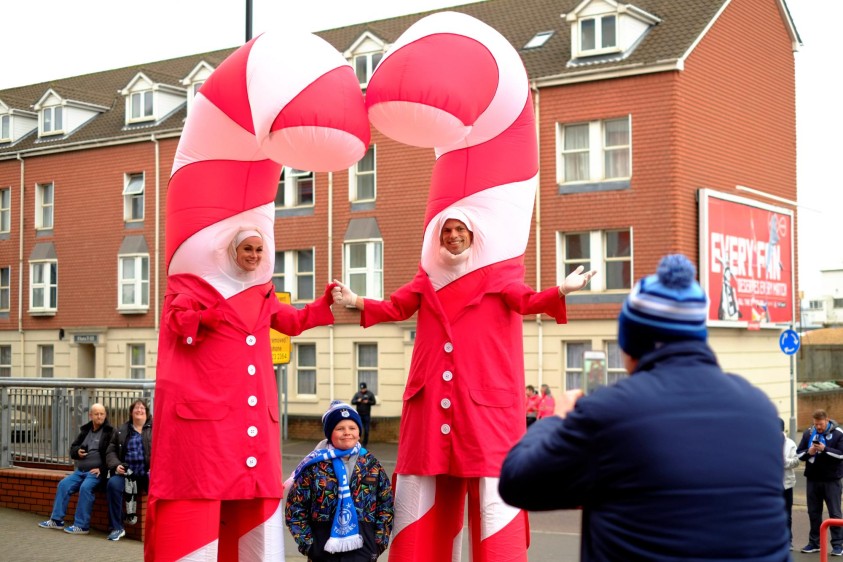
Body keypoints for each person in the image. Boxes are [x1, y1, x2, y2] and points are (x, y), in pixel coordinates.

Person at [332, 211, 594, 561]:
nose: (453, 236)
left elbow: (526, 301)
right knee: (424, 500)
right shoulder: (428, 277)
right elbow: (397, 307)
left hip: (483, 407)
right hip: (431, 402)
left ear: (472, 234)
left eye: (460, 230)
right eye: (447, 231)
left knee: (492, 504)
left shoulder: (499, 274)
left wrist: (561, 290)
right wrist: (355, 300)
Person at [498, 254, 789, 561]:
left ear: (629, 342)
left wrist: (557, 419)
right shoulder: (760, 409)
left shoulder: (610, 413)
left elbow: (517, 483)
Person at [147, 227, 336, 561]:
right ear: (232, 251)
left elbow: (292, 321)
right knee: (206, 496)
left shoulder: (262, 293)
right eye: (247, 249)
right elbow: (177, 321)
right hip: (215, 420)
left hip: (252, 419)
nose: (253, 256)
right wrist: (210, 316)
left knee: (252, 499)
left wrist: (324, 303)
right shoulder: (203, 286)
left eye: (259, 250)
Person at [285, 400, 394, 561]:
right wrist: (308, 545)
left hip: (363, 548)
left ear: (359, 431)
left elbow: (385, 505)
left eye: (352, 428)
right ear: (330, 433)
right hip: (322, 549)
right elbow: (295, 508)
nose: (347, 432)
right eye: (340, 428)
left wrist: (378, 543)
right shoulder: (314, 467)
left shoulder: (372, 465)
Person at [39, 403, 114, 535]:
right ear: (90, 415)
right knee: (63, 484)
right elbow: (73, 447)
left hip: (96, 473)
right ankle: (56, 520)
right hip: (80, 471)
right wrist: (77, 452)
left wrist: (101, 469)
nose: (99, 417)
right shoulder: (85, 430)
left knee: (85, 488)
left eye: (102, 414)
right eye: (96, 414)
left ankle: (82, 525)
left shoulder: (110, 432)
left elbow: (112, 454)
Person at [796, 409, 843, 555]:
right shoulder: (809, 433)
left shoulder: (838, 434)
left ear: (827, 420)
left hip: (832, 480)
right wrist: (809, 452)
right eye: (816, 424)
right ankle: (814, 543)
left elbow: (841, 455)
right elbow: (798, 454)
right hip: (813, 480)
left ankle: (838, 545)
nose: (818, 427)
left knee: (835, 514)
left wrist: (824, 449)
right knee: (813, 513)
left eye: (821, 424)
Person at [105, 399, 152, 541]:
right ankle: (117, 527)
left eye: (142, 408)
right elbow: (110, 451)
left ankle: (161, 528)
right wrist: (116, 465)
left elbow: (166, 450)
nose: (139, 410)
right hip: (127, 473)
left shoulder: (156, 428)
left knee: (160, 491)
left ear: (147, 412)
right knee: (112, 484)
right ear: (131, 412)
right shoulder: (121, 430)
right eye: (136, 408)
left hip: (148, 472)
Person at [781, 418, 799, 551]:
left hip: (786, 485)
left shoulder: (790, 443)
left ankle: (788, 541)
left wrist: (783, 461)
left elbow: (796, 462)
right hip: (770, 485)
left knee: (787, 514)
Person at [351, 382, 377, 447]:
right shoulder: (357, 394)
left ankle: (365, 443)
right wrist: (358, 401)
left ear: (366, 388)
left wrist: (368, 402)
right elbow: (352, 402)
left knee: (366, 429)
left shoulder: (370, 394)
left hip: (366, 414)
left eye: (364, 389)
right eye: (362, 389)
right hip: (359, 414)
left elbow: (374, 402)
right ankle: (357, 442)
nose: (363, 390)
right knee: (358, 429)